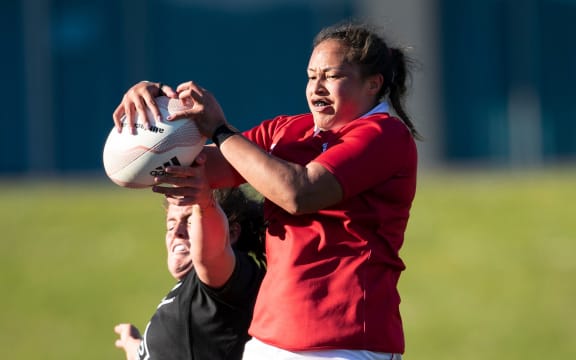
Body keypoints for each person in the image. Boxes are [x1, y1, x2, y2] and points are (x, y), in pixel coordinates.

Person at [114, 21, 419, 360]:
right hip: (269, 338)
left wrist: (220, 130)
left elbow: (299, 192)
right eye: (310, 76)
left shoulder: (385, 135)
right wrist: (155, 113)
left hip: (346, 342)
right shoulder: (287, 130)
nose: (316, 87)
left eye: (331, 76)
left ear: (373, 84)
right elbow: (196, 167)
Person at [113, 155, 266, 360]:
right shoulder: (193, 290)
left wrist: (203, 202)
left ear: (231, 233)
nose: (176, 231)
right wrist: (135, 347)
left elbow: (211, 250)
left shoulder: (224, 280)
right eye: (170, 224)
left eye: (190, 221)